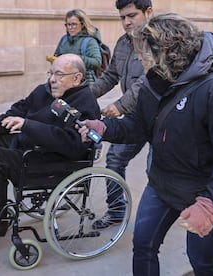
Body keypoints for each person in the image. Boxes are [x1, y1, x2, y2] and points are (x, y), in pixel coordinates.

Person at [79, 13, 213, 275]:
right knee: (143, 246)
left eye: (144, 52)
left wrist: (211, 204)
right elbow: (138, 126)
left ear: (166, 50)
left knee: (201, 259)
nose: (139, 59)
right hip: (161, 184)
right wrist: (104, 128)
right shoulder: (154, 83)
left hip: (203, 193)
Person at [0, 53, 100, 234]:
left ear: (77, 77)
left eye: (59, 75)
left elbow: (72, 145)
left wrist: (28, 125)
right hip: (31, 146)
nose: (52, 79)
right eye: (51, 73)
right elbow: (21, 108)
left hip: (54, 161)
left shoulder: (86, 102)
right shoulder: (47, 90)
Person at [88, 0, 153, 229]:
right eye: (122, 17)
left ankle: (171, 212)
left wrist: (119, 106)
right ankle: (116, 212)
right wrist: (83, 94)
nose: (126, 22)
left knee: (156, 170)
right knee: (115, 158)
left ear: (148, 12)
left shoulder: (160, 40)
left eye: (132, 15)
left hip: (164, 117)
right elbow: (110, 76)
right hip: (135, 116)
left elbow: (148, 81)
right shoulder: (124, 43)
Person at [49, 9, 102, 84]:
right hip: (64, 83)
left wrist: (74, 59)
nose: (70, 27)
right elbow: (56, 56)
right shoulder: (64, 39)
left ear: (82, 24)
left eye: (74, 24)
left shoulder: (89, 41)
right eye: (68, 24)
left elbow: (96, 62)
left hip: (84, 84)